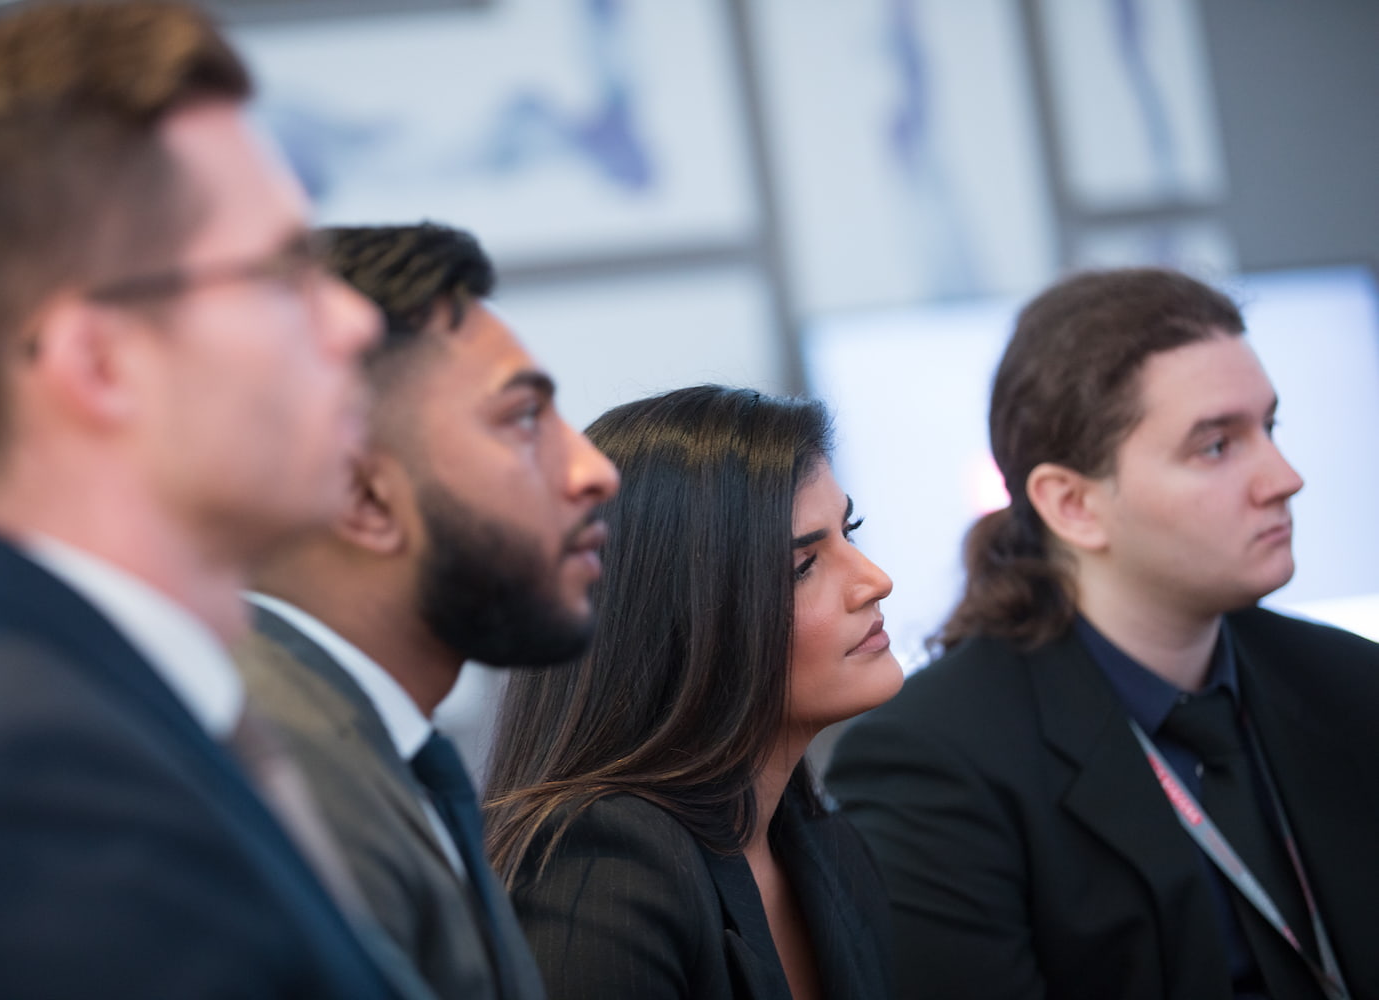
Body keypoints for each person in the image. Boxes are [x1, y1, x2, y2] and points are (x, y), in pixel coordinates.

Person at [0, 3, 429, 996]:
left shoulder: (104, 713)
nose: (351, 320)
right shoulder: (23, 805)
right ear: (98, 362)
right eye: (282, 271)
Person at [826, 268, 1379, 1000]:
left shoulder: (1351, 682)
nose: (1284, 477)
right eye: (1216, 446)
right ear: (1072, 504)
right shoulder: (934, 763)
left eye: (1269, 428)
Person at [232, 222, 619, 1000]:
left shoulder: (365, 748)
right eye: (521, 420)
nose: (593, 470)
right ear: (365, 497)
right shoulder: (287, 785)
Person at [485, 384, 901, 1000]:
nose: (875, 580)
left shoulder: (822, 845)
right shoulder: (601, 863)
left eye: (850, 532)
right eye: (804, 565)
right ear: (683, 619)